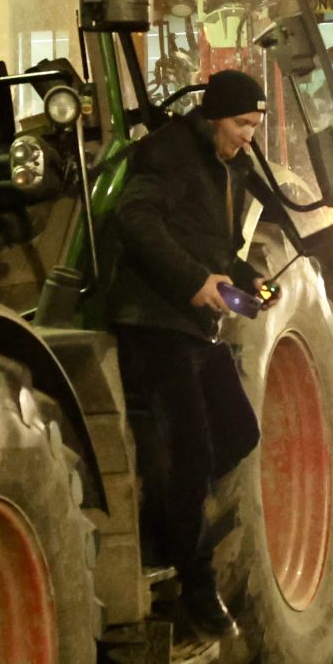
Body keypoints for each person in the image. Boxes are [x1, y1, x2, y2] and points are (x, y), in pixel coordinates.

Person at [109, 68, 275, 631]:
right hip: (156, 319)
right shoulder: (170, 153)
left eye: (254, 125)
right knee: (193, 453)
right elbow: (134, 217)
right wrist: (191, 281)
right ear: (212, 116)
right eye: (241, 124)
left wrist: (248, 281)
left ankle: (165, 519)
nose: (248, 135)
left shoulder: (227, 168)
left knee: (238, 433)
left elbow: (216, 247)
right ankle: (196, 589)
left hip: (196, 322)